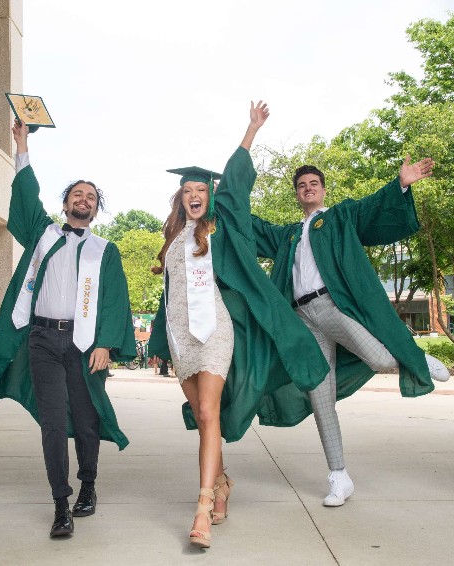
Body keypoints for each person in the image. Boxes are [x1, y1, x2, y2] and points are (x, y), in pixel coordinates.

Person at [147, 101, 328, 549]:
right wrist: (157, 341)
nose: (194, 194)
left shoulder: (222, 227)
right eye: (187, 189)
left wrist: (250, 132)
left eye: (201, 189)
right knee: (205, 417)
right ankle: (223, 482)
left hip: (215, 333)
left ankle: (204, 505)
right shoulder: (172, 240)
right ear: (180, 197)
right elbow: (168, 296)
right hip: (180, 338)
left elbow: (235, 188)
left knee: (209, 413)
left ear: (209, 197)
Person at [251, 159, 449, 507]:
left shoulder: (339, 217)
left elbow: (371, 207)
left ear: (323, 189)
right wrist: (226, 199)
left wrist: (399, 184)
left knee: (376, 357)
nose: (308, 188)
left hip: (331, 306)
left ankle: (417, 359)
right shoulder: (290, 235)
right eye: (302, 186)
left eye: (314, 183)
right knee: (321, 397)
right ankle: (339, 476)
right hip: (302, 319)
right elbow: (254, 229)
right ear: (297, 195)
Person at [0, 121, 136, 538]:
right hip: (43, 339)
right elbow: (25, 197)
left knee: (85, 420)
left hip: (84, 345)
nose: (84, 199)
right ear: (65, 204)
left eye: (91, 196)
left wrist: (106, 343)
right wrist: (21, 144)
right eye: (77, 194)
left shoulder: (106, 251)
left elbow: (116, 299)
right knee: (51, 422)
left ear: (96, 210)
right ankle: (60, 505)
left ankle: (88, 486)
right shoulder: (42, 234)